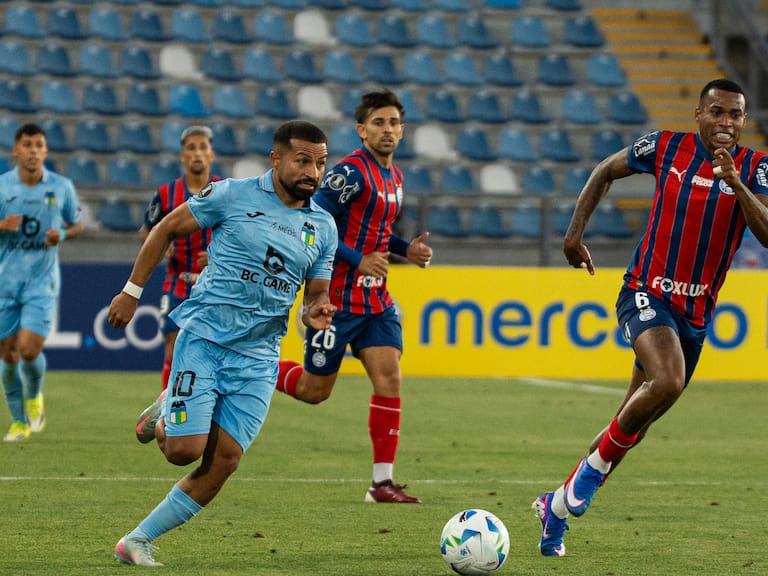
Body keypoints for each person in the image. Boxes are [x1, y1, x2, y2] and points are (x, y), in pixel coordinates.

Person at [533, 78, 768, 557]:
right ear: (698, 114)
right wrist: (573, 236)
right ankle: (587, 477)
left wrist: (736, 182)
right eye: (717, 112)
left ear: (744, 121)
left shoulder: (756, 168)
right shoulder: (664, 147)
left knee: (632, 424)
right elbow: (604, 170)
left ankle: (555, 508)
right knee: (668, 381)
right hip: (645, 292)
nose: (726, 122)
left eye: (735, 115)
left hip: (696, 315)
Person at [107, 120, 338, 566]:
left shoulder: (323, 227)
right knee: (182, 451)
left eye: (321, 163)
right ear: (276, 159)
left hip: (259, 356)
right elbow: (165, 229)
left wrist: (317, 313)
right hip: (206, 339)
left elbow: (315, 296)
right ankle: (165, 413)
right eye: (303, 160)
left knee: (224, 462)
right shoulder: (232, 194)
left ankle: (136, 541)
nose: (313, 171)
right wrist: (131, 292)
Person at [274, 89, 433, 504]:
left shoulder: (394, 176)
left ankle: (382, 483)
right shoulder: (350, 173)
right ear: (361, 129)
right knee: (314, 391)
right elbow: (317, 219)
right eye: (378, 123)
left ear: (402, 130)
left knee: (390, 378)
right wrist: (357, 259)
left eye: (394, 123)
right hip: (337, 299)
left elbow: (378, 231)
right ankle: (258, 366)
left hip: (375, 301)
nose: (387, 130)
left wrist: (405, 250)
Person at [0, 123, 83, 442]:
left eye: (39, 145)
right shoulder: (3, 186)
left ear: (45, 151)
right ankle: (19, 422)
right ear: (16, 150)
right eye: (28, 144)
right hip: (6, 283)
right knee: (8, 355)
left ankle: (33, 397)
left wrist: (61, 233)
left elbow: (77, 225)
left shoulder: (61, 187)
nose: (33, 150)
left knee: (29, 350)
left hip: (42, 282)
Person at [139, 125, 219, 393]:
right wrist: (160, 244)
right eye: (191, 148)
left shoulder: (224, 190)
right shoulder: (166, 194)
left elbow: (241, 233)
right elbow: (146, 231)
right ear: (182, 156)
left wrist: (219, 254)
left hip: (215, 284)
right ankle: (167, 411)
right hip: (177, 282)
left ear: (212, 154)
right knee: (172, 347)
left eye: (202, 147)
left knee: (215, 351)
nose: (197, 153)